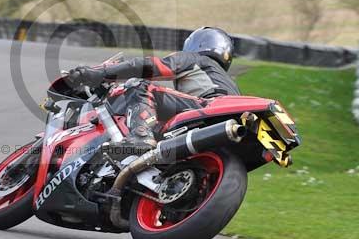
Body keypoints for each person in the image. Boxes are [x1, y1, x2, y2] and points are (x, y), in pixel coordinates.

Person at [67, 27, 241, 153]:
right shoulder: (228, 82)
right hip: (228, 126)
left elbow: (151, 67)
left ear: (197, 44)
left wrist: (101, 73)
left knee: (139, 86)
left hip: (209, 107)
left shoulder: (196, 59)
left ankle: (141, 136)